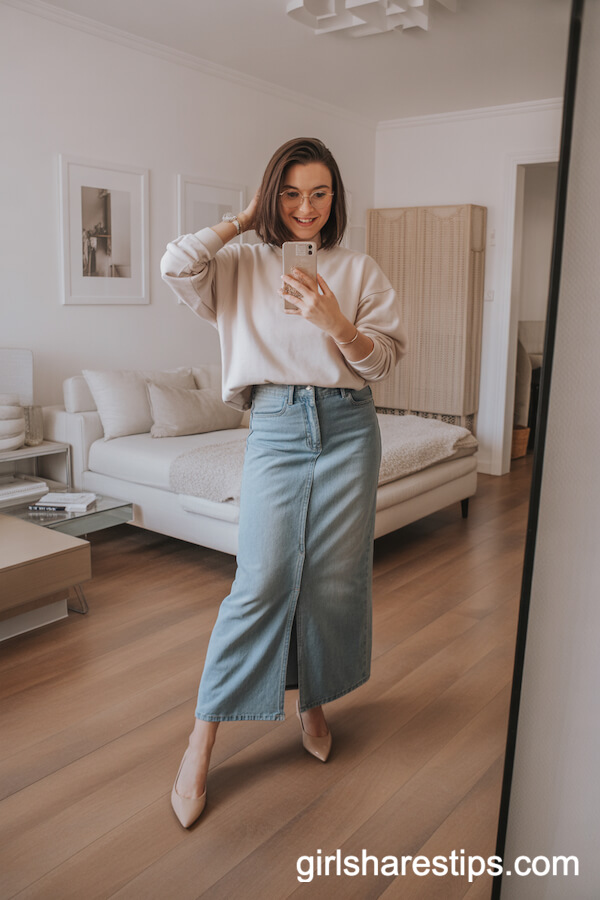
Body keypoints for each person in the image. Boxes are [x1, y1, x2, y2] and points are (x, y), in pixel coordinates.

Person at [160, 137, 407, 828]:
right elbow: (176, 263)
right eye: (292, 193)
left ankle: (314, 704)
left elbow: (383, 362)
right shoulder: (238, 265)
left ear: (336, 197)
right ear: (274, 195)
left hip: (350, 427)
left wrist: (336, 324)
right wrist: (244, 219)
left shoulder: (358, 269)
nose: (306, 207)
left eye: (320, 193)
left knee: (331, 578)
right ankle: (200, 743)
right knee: (261, 580)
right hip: (275, 425)